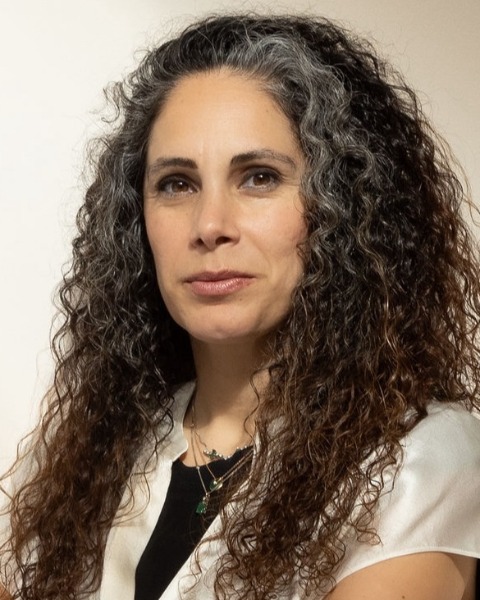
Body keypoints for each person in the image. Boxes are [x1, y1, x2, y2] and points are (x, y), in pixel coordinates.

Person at [1, 13, 480, 600]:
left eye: (259, 177)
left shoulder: (420, 459)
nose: (209, 225)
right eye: (177, 183)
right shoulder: (91, 452)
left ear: (345, 206)